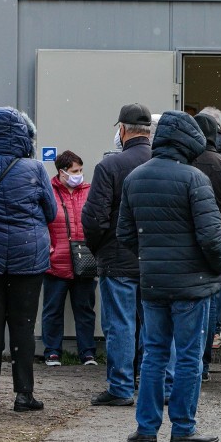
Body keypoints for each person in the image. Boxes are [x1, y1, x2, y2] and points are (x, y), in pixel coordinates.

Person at [119, 111, 221, 442]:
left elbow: (125, 233)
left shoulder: (135, 177)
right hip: (192, 285)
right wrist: (219, 267)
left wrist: (152, 255)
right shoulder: (195, 179)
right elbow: (211, 238)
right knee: (189, 357)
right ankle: (182, 427)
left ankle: (147, 428)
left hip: (153, 282)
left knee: (154, 354)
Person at [0, 106, 56, 413]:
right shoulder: (34, 169)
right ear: (25, 137)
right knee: (23, 324)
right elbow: (52, 212)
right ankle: (24, 394)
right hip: (27, 254)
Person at [82, 103, 153, 407]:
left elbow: (94, 217)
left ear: (122, 130)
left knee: (121, 325)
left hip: (117, 257)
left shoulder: (109, 167)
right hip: (155, 260)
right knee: (154, 325)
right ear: (149, 132)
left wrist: (100, 248)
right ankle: (156, 384)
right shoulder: (167, 164)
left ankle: (122, 386)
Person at [41, 150, 98, 367]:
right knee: (52, 309)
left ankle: (88, 352)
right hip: (57, 261)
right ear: (62, 172)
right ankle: (52, 351)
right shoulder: (49, 192)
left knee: (85, 309)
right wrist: (49, 248)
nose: (79, 175)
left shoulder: (89, 191)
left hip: (84, 261)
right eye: (75, 171)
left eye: (81, 170)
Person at [192, 112, 221, 383]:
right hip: (219, 239)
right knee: (212, 302)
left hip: (189, 244)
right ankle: (204, 364)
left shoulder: (184, 164)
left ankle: (190, 363)